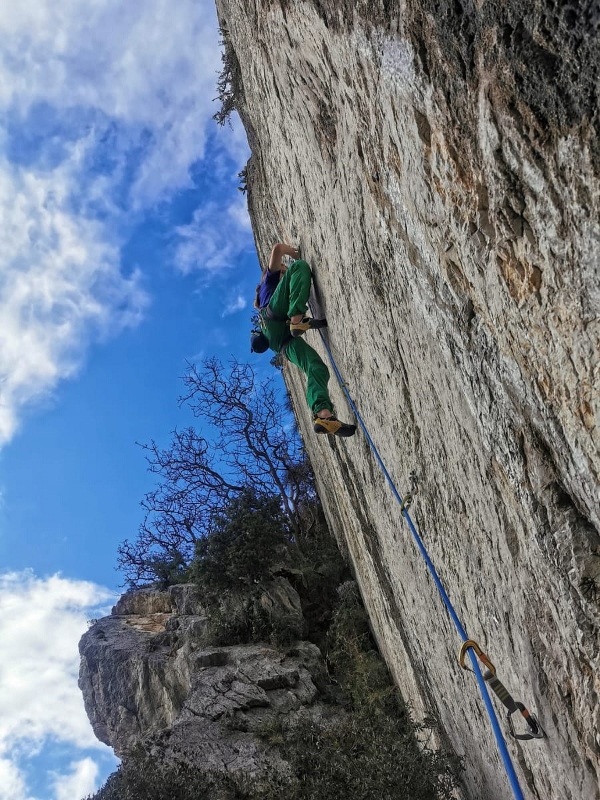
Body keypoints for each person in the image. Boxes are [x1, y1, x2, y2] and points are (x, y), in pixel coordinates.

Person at [251, 243, 356, 437]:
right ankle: (297, 318)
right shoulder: (269, 281)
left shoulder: (273, 294)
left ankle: (323, 415)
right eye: (282, 270)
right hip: (274, 318)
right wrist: (294, 253)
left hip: (281, 343)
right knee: (299, 267)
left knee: (315, 367)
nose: (283, 272)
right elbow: (277, 250)